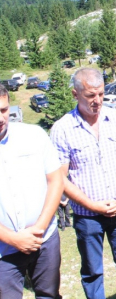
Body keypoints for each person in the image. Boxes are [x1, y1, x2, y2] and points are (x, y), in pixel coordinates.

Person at [50, 68, 116, 299]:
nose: (97, 101)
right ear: (75, 94)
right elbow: (60, 177)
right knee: (92, 272)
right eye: (90, 96)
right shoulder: (62, 129)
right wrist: (91, 205)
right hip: (87, 216)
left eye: (100, 94)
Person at [0, 84, 64, 298]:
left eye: (3, 110)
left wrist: (39, 228)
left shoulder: (34, 136)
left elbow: (55, 180)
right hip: (3, 250)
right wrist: (12, 238)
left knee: (49, 294)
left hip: (44, 238)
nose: (1, 118)